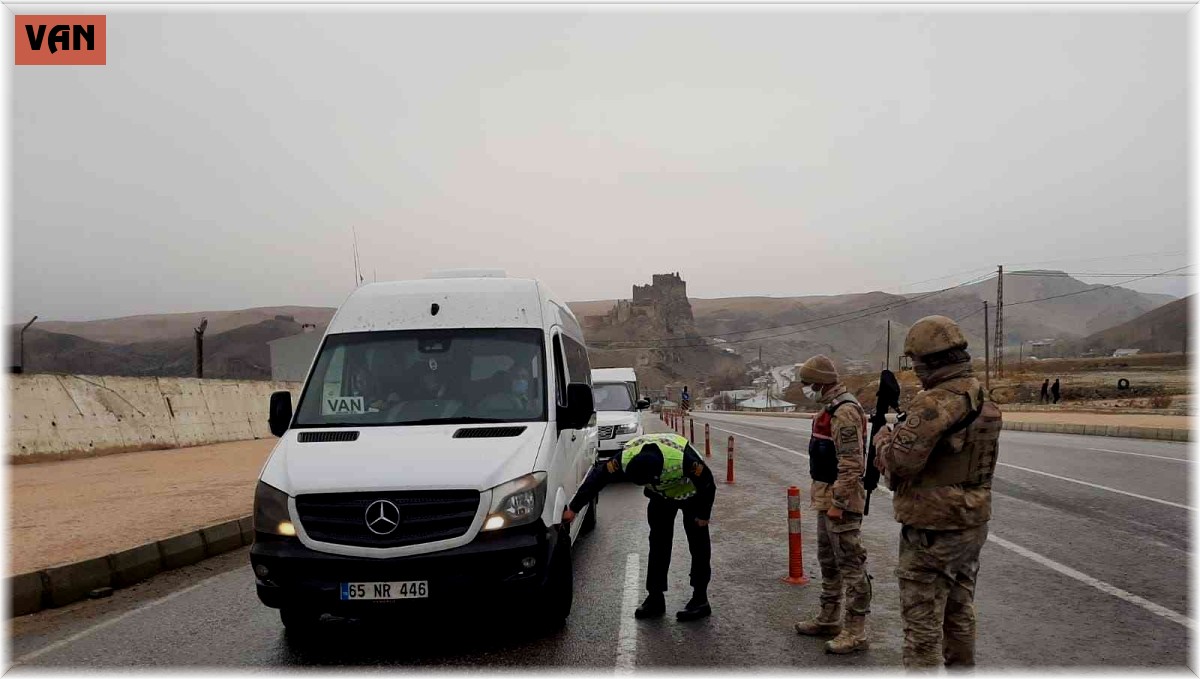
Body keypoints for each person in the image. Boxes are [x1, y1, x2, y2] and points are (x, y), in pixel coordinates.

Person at [872, 315, 1002, 669]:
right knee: (959, 613)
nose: (914, 370)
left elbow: (900, 465)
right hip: (971, 522)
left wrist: (884, 437)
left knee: (922, 628)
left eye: (915, 362)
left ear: (929, 360)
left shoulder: (935, 403)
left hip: (933, 530)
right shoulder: (979, 395)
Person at [562, 432, 715, 621]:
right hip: (661, 497)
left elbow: (708, 482)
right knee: (658, 544)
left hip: (692, 494)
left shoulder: (683, 460)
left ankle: (700, 599)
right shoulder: (625, 458)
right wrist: (574, 508)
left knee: (698, 545)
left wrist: (703, 515)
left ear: (657, 474)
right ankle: (655, 597)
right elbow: (598, 477)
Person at [791, 354, 873, 655]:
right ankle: (828, 618)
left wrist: (839, 502)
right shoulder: (828, 408)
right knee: (828, 560)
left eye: (807, 384)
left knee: (851, 564)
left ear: (820, 383)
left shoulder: (845, 411)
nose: (805, 389)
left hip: (842, 499)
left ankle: (856, 630)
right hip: (826, 495)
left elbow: (852, 464)